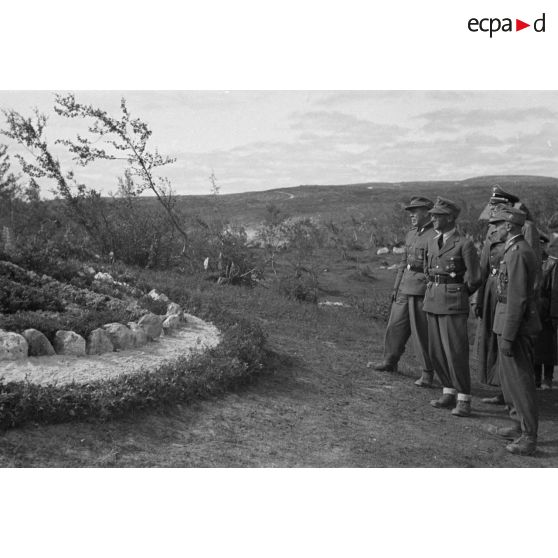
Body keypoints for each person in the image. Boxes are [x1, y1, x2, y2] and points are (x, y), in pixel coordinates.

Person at [473, 186, 541, 405]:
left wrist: (529, 300)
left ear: (511, 207)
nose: (493, 210)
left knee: (511, 340)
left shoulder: (526, 229)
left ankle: (515, 395)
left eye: (498, 206)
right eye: (493, 206)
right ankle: (502, 389)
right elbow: (484, 265)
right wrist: (478, 295)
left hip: (513, 292)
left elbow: (532, 268)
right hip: (492, 290)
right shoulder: (494, 230)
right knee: (493, 340)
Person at [486, 207, 541, 455]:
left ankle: (529, 436)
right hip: (505, 321)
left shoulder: (518, 253)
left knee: (520, 382)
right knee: (509, 381)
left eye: (496, 224)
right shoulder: (512, 250)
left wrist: (508, 336)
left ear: (508, 226)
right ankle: (518, 426)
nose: (493, 228)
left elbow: (517, 299)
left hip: (514, 326)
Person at [369, 196, 437, 386]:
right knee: (394, 326)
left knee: (422, 333)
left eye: (415, 212)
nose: (411, 215)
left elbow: (434, 267)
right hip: (404, 287)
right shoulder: (411, 234)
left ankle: (427, 372)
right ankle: (389, 361)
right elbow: (403, 263)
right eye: (411, 212)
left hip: (421, 291)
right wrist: (396, 286)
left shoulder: (434, 236)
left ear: (427, 212)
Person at [423, 197, 481, 417]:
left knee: (455, 351)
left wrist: (458, 291)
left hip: (453, 302)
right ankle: (448, 391)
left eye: (437, 215)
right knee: (436, 350)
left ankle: (464, 398)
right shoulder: (432, 241)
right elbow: (429, 270)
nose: (433, 219)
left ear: (450, 218)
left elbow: (475, 278)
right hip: (433, 299)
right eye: (432, 215)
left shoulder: (464, 244)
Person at [534, 230, 558, 389]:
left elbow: (555, 291)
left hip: (546, 310)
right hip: (533, 309)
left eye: (540, 244)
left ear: (544, 245)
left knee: (548, 346)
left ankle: (548, 378)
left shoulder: (552, 263)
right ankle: (535, 378)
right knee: (534, 346)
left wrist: (554, 314)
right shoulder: (530, 260)